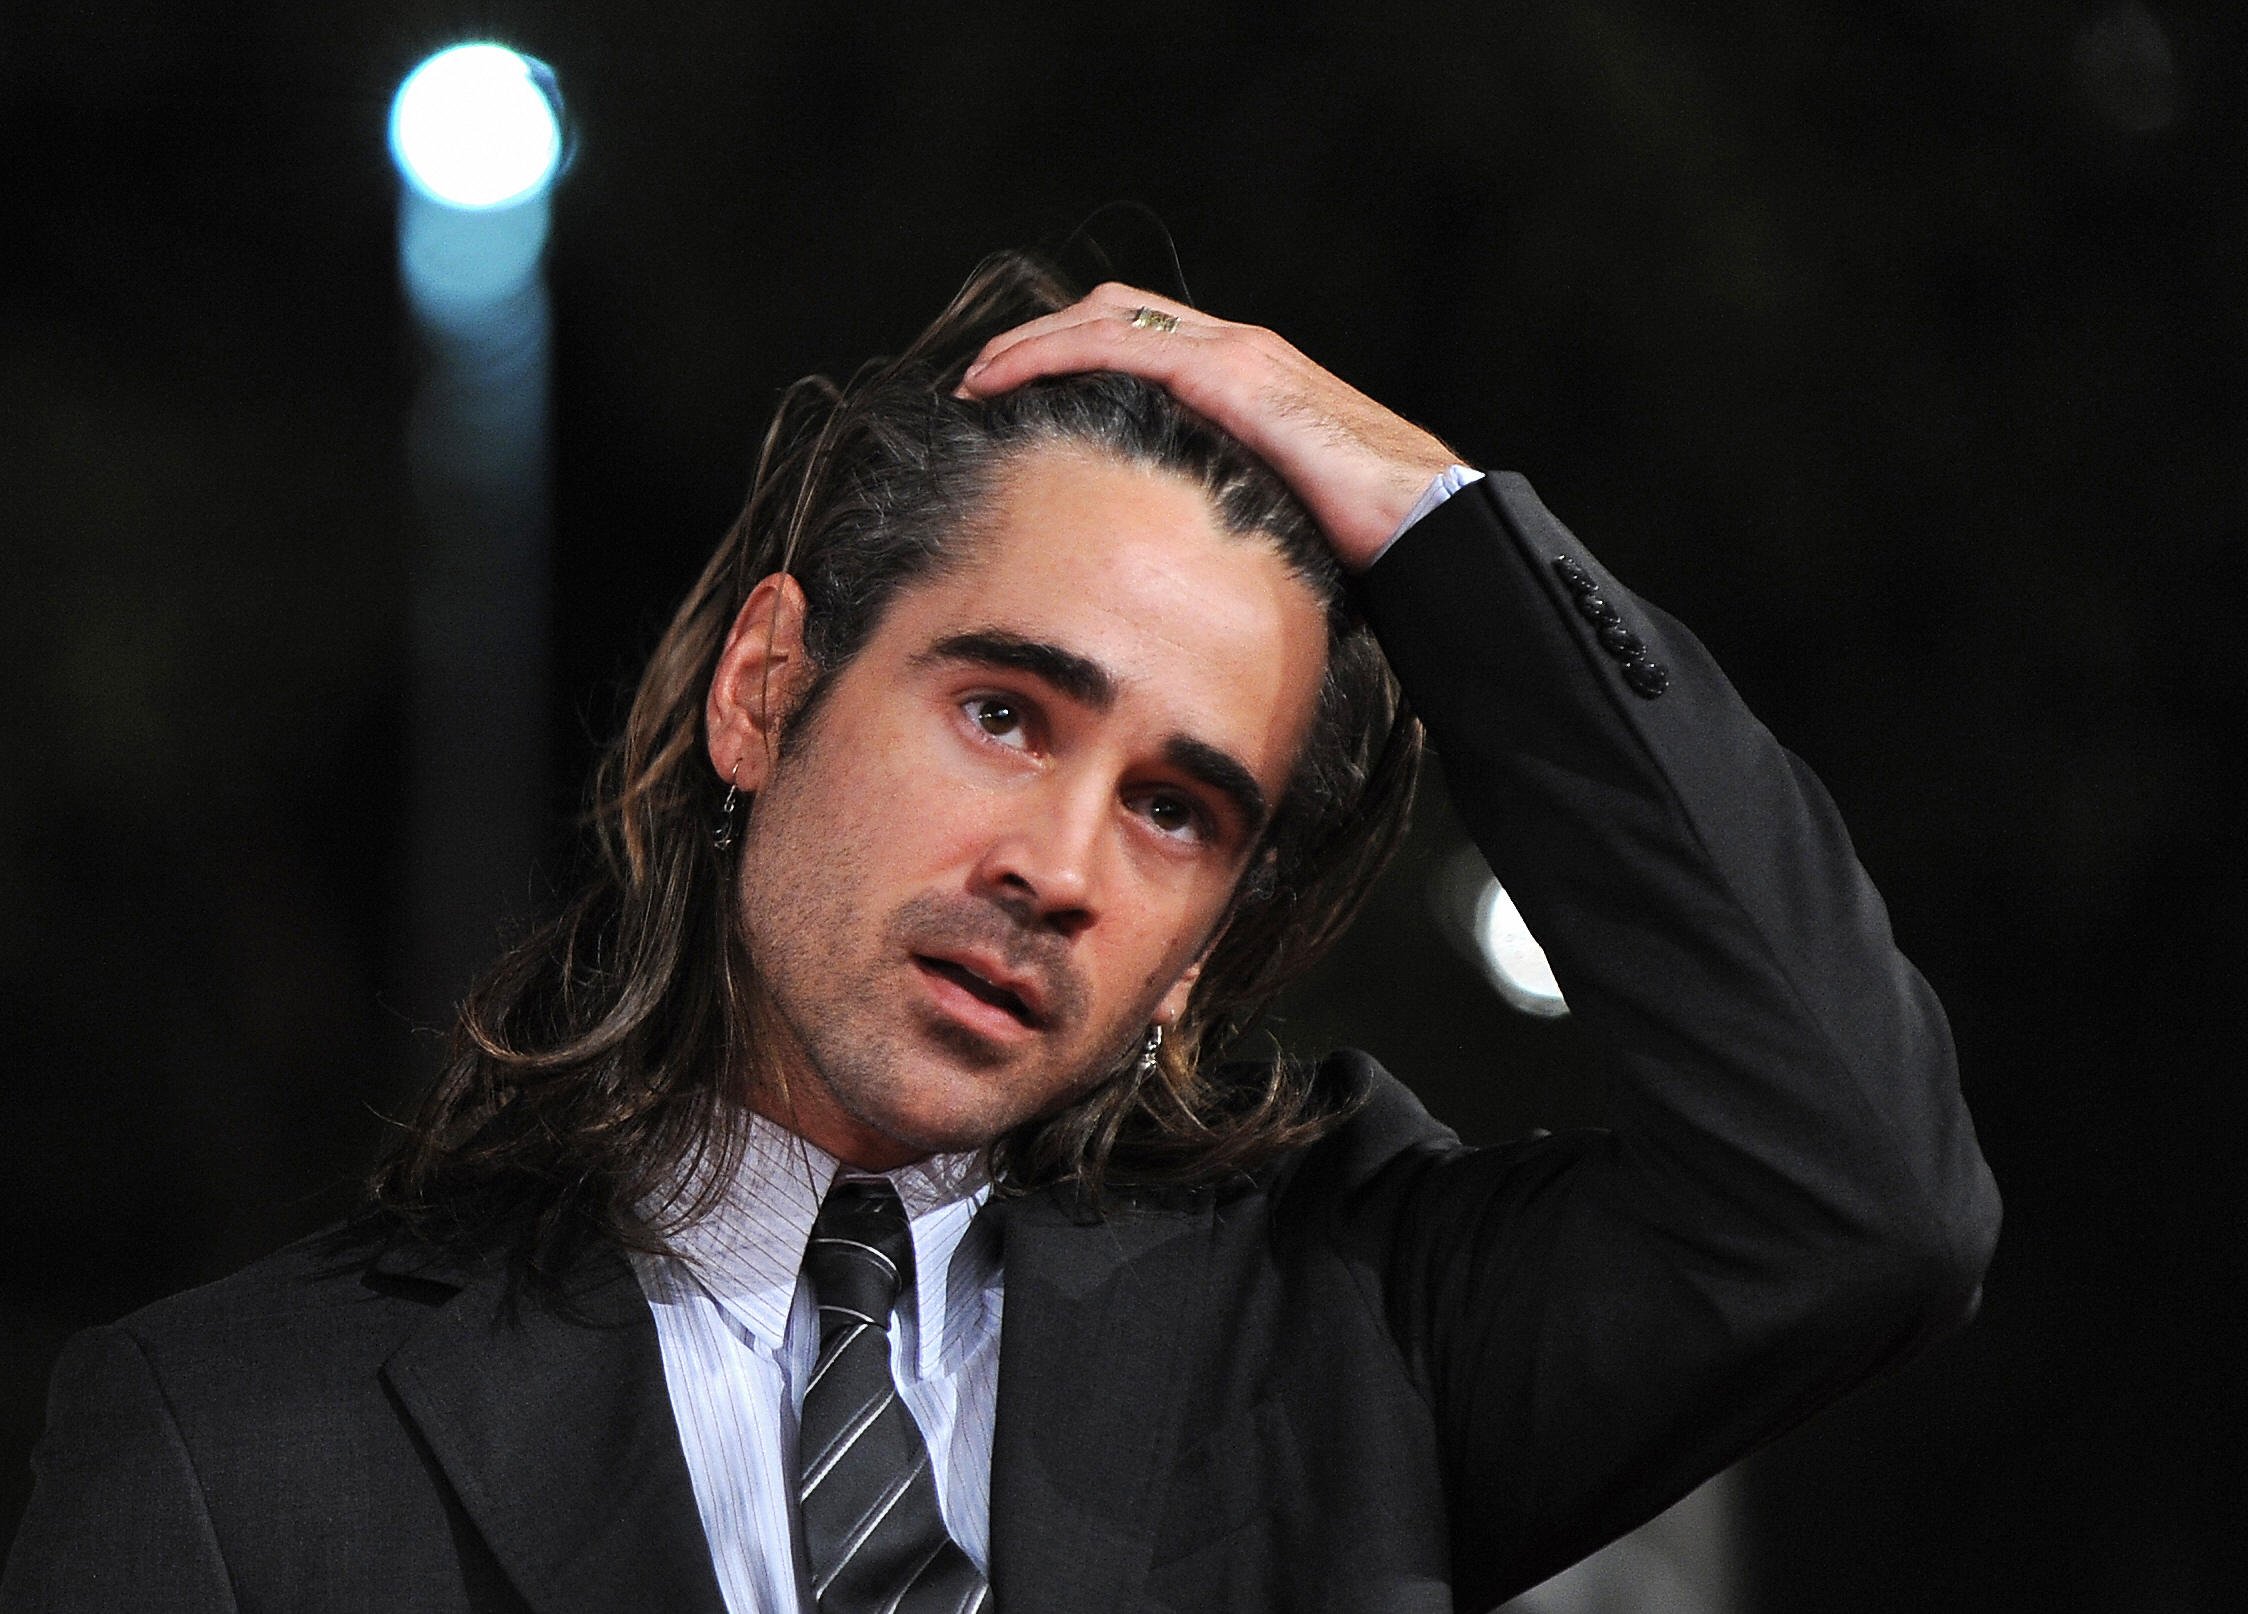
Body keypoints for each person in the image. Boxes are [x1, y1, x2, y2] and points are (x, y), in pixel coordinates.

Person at [1, 255, 2000, 1613]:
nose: (1059, 862)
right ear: (765, 691)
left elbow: (1853, 1200)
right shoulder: (230, 1450)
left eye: (1174, 807)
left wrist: (1437, 520)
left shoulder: (1352, 1337)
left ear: (1210, 937)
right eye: (1003, 712)